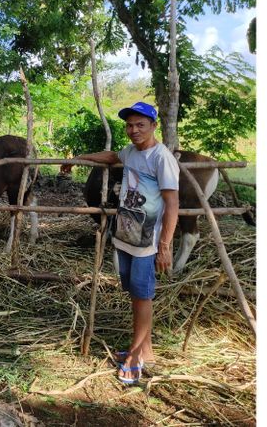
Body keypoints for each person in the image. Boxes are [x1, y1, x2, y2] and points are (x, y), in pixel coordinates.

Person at [61, 102, 179, 385]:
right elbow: (111, 155)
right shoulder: (131, 153)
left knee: (142, 295)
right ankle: (145, 349)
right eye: (129, 125)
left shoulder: (161, 158)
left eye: (140, 125)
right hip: (126, 235)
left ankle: (136, 355)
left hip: (147, 242)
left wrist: (164, 246)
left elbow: (172, 203)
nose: (134, 130)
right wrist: (80, 157)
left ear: (153, 126)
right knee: (135, 294)